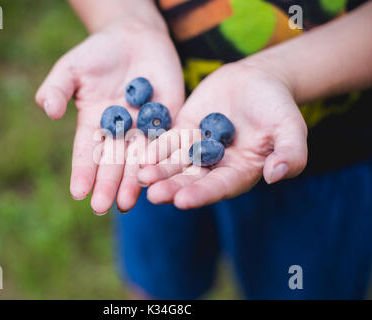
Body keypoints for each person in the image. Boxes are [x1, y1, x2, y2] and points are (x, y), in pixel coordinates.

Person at [35, 0, 372, 299]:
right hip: (159, 152)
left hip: (328, 159)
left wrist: (283, 73)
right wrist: (124, 17)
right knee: (159, 281)